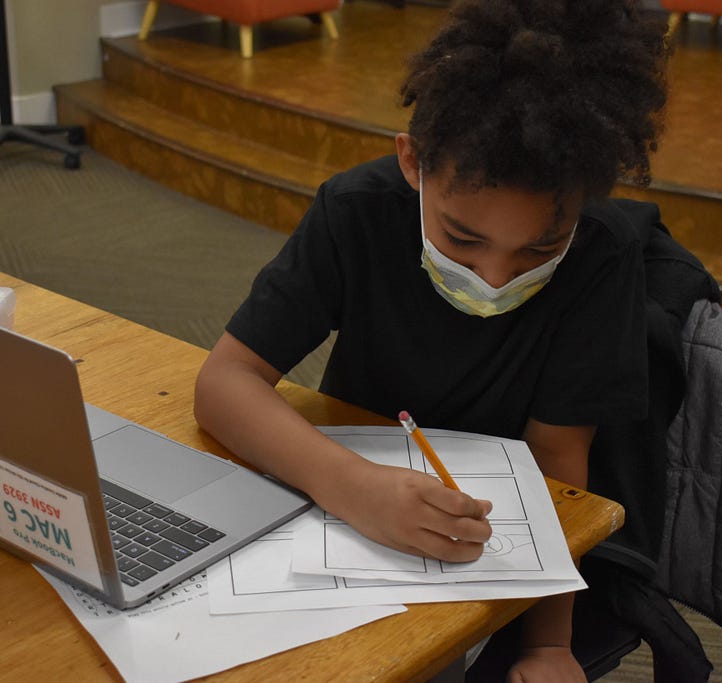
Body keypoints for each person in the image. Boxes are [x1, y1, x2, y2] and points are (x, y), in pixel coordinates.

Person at [194, 1, 669, 680]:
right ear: (412, 161)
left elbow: (559, 460)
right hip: (343, 514)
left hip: (492, 544)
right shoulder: (356, 212)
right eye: (462, 238)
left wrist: (547, 645)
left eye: (539, 248)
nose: (495, 277)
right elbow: (222, 383)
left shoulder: (603, 256)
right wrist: (353, 488)